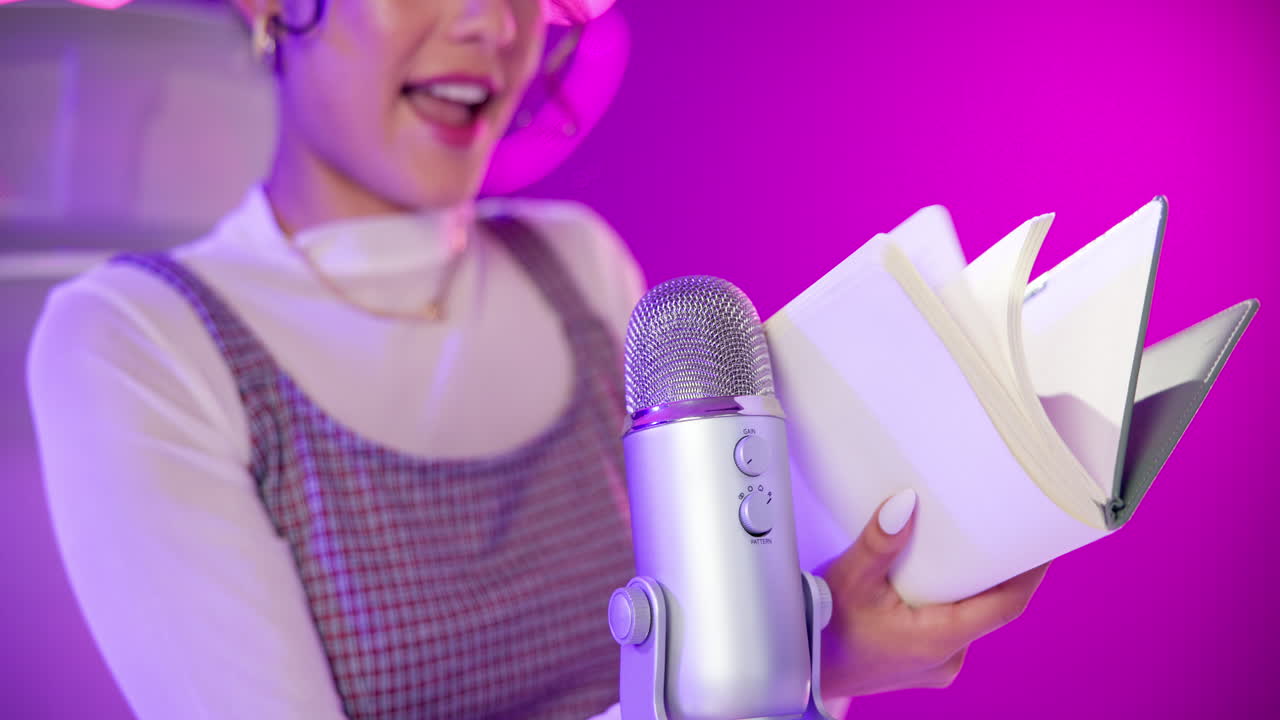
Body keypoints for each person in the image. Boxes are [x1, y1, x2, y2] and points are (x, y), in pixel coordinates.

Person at [26, 0, 1050, 718]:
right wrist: (773, 673)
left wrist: (823, 647)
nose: (493, 24)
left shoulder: (580, 263)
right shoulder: (134, 343)